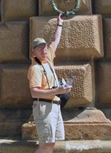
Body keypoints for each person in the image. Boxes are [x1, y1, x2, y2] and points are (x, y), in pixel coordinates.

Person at [27, 14, 72, 153]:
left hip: (54, 106)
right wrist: (57, 91)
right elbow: (34, 92)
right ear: (33, 51)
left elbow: (56, 40)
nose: (44, 50)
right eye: (40, 48)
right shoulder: (35, 68)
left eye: (45, 47)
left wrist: (60, 24)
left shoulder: (49, 57)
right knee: (45, 144)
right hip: (44, 107)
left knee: (51, 143)